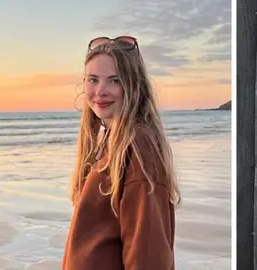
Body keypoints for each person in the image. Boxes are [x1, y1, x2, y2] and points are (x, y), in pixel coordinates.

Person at [62, 36, 180, 270]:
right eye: (93, 80)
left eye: (114, 80)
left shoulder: (138, 146)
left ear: (134, 86)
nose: (100, 91)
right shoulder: (111, 142)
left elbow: (148, 255)